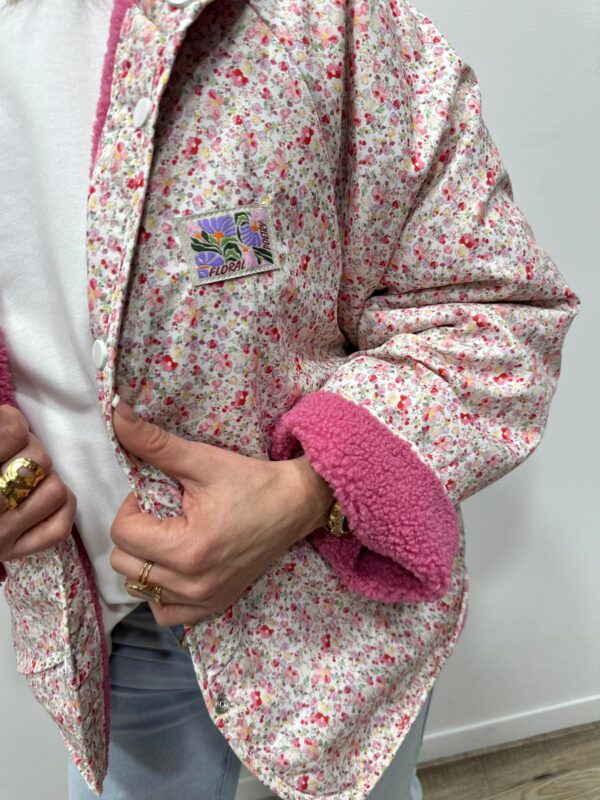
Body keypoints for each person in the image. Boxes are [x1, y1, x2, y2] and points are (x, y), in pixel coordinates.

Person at [0, 0, 580, 799]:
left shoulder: (331, 21)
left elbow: (495, 312)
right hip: (104, 631)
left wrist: (309, 490)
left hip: (335, 611)